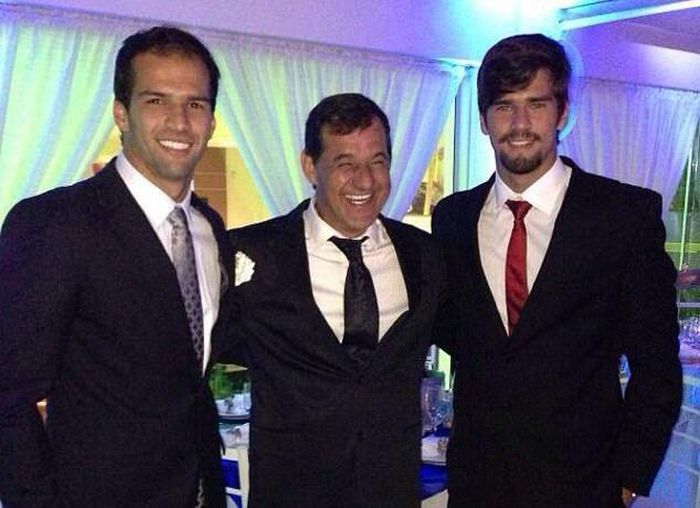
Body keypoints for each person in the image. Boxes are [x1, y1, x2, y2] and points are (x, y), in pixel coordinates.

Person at [432, 33, 682, 508]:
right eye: (504, 106)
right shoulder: (453, 219)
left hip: (584, 487)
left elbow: (657, 368)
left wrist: (629, 478)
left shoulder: (623, 217)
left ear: (562, 112)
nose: (520, 124)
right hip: (477, 485)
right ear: (483, 120)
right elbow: (458, 334)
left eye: (537, 104)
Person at [0, 26, 231, 507]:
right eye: (156, 101)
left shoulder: (209, 228)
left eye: (195, 104)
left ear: (211, 121)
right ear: (121, 113)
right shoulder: (55, 223)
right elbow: (8, 395)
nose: (179, 122)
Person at [213, 93, 447, 507]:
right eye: (345, 164)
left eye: (377, 162)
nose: (365, 181)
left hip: (390, 494)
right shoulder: (251, 254)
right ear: (310, 166)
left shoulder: (425, 256)